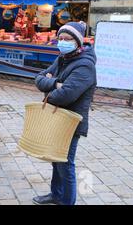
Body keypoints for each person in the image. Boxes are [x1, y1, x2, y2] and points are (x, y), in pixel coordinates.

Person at [33, 21, 96, 206]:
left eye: (67, 39)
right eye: (60, 38)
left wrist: (52, 84)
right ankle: (56, 194)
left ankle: (67, 201)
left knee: (65, 164)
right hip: (56, 118)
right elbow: (38, 78)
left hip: (70, 122)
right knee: (55, 159)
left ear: (77, 41)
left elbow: (65, 95)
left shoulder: (85, 66)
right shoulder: (63, 58)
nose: (62, 42)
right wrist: (54, 83)